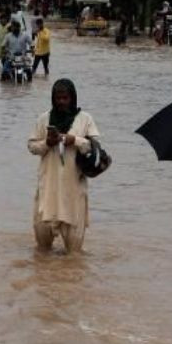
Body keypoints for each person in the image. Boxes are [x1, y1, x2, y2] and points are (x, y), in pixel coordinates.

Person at [27, 79, 100, 253]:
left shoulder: (85, 119)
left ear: (72, 98)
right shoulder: (44, 119)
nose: (61, 102)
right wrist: (47, 142)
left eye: (65, 98)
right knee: (42, 251)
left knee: (74, 255)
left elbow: (94, 147)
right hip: (47, 191)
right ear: (53, 98)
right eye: (58, 98)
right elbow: (31, 146)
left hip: (73, 192)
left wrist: (74, 140)